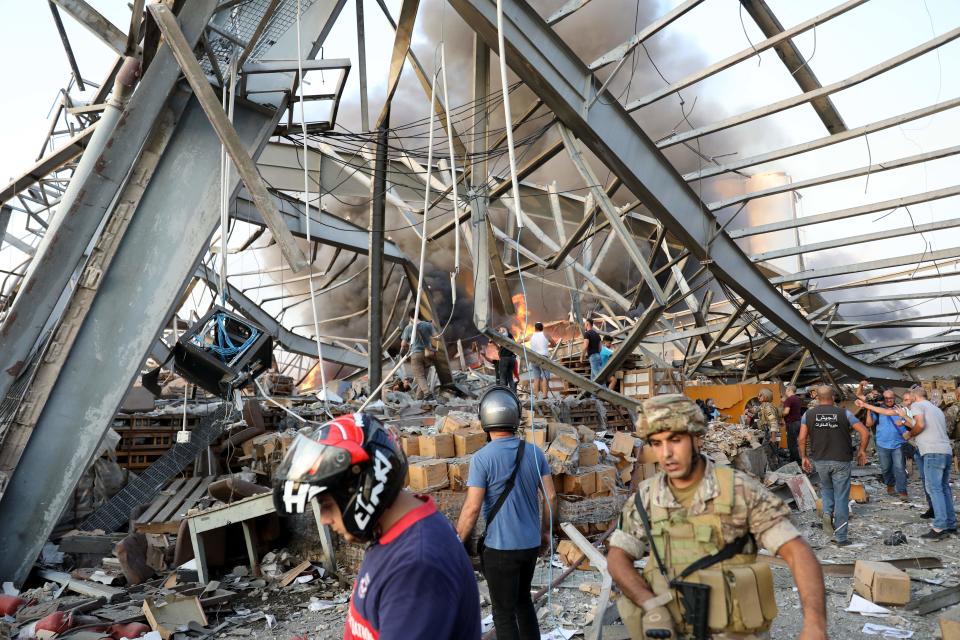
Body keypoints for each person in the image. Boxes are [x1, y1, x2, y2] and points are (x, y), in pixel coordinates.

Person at [607, 394, 827, 640]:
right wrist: (650, 604)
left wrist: (815, 625)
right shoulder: (647, 496)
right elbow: (618, 558)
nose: (666, 453)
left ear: (697, 438)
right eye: (657, 443)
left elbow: (797, 553)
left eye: (675, 440)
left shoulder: (738, 491)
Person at [273, 413, 481, 639]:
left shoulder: (415, 568)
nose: (324, 519)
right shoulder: (395, 534)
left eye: (326, 504)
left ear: (362, 489)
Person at [457, 386, 557, 640]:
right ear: (515, 417)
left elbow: (472, 508)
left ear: (485, 420)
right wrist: (545, 533)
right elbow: (551, 496)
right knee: (523, 602)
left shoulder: (482, 459)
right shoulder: (534, 452)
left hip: (500, 549)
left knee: (502, 613)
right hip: (530, 545)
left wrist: (457, 542)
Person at [799, 386, 870, 547]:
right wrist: (862, 451)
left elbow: (802, 438)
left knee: (827, 489)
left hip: (820, 460)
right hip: (841, 460)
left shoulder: (808, 414)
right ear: (833, 397)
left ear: (817, 397)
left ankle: (826, 513)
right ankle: (841, 537)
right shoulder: (844, 413)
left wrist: (804, 457)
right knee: (842, 497)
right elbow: (865, 432)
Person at [897, 386, 956, 538]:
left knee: (934, 489)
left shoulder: (918, 405)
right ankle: (950, 524)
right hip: (946, 451)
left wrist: (909, 434)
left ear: (915, 397)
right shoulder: (936, 409)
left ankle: (939, 527)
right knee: (943, 488)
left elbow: (920, 425)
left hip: (932, 452)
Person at [855, 390, 909, 498]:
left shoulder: (900, 408)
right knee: (886, 468)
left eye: (891, 398)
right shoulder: (876, 410)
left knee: (900, 468)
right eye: (887, 398)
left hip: (898, 443)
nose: (889, 400)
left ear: (895, 398)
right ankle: (890, 485)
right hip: (882, 444)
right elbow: (869, 423)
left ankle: (902, 491)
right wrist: (869, 409)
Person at [400, 310, 436, 399]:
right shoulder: (428, 325)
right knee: (422, 378)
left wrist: (410, 344)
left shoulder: (408, 328)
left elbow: (403, 344)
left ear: (410, 317)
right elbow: (437, 337)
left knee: (419, 377)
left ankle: (428, 394)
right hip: (428, 354)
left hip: (416, 354)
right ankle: (418, 399)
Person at [528, 322, 555, 400]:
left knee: (536, 378)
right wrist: (548, 346)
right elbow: (554, 343)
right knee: (545, 377)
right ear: (542, 328)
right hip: (543, 358)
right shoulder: (546, 335)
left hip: (533, 358)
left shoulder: (530, 335)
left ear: (535, 328)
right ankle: (544, 396)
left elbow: (520, 341)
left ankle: (536, 396)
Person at [782, 385, 803, 463]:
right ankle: (796, 459)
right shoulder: (797, 399)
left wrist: (780, 414)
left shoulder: (789, 399)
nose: (785, 392)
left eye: (786, 390)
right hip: (798, 422)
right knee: (796, 442)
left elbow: (786, 411)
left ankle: (795, 461)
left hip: (791, 423)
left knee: (791, 443)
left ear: (789, 390)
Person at [495, 327, 518, 392]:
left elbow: (501, 334)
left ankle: (504, 394)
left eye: (502, 330)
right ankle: (514, 393)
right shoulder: (510, 337)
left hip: (505, 359)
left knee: (502, 378)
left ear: (506, 331)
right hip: (512, 358)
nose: (500, 331)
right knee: (510, 378)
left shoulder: (505, 336)